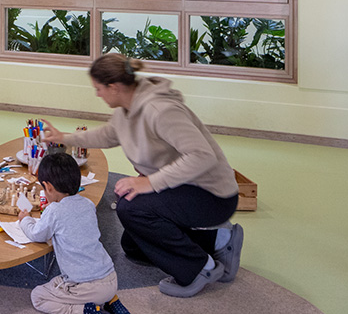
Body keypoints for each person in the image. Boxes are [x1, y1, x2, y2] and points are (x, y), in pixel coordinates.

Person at [41, 53, 244, 298]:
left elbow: (202, 156)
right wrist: (64, 138)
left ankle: (200, 268)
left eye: (98, 89)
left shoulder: (161, 110)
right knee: (133, 246)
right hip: (183, 186)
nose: (97, 95)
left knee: (131, 209)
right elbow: (108, 135)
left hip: (212, 195)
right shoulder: (127, 109)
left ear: (113, 87)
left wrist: (149, 182)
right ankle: (219, 241)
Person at [18, 152, 131, 314]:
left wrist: (25, 219)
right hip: (111, 278)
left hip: (87, 288)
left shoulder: (54, 211)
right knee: (60, 281)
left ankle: (85, 312)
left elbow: (36, 234)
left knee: (38, 296)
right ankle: (111, 300)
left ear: (48, 187)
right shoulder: (88, 204)